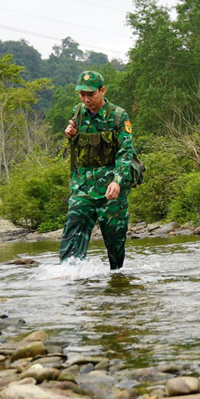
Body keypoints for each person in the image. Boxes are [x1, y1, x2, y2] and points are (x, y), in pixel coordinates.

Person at [61, 71, 134, 270]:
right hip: (82, 185)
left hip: (110, 187)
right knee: (73, 228)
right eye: (82, 94)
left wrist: (117, 180)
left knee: (114, 239)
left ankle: (117, 279)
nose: (86, 99)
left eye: (90, 94)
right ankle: (70, 275)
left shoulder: (118, 116)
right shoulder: (78, 112)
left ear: (102, 91)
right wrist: (71, 136)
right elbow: (79, 148)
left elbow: (126, 152)